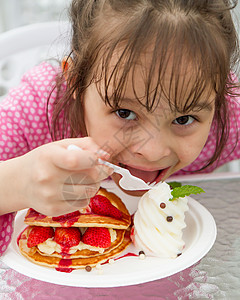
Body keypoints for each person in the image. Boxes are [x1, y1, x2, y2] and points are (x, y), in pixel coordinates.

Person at [0, 0, 239, 255]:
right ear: (76, 85)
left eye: (183, 119)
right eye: (124, 113)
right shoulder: (35, 111)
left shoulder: (227, 115)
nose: (152, 151)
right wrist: (18, 183)